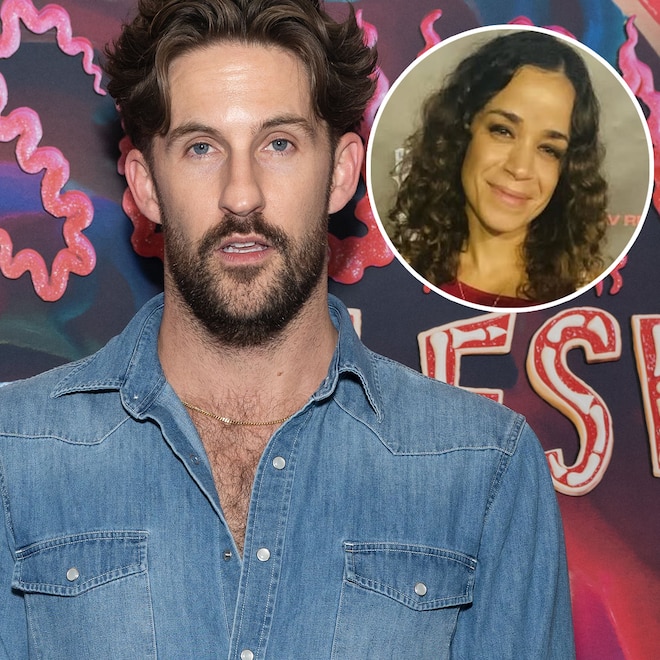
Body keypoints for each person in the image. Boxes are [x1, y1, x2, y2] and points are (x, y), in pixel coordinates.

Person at [0, 1, 574, 657]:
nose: (241, 194)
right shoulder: (15, 455)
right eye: (201, 147)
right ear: (146, 185)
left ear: (340, 172)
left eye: (279, 144)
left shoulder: (482, 466)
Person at [388, 30, 608, 307]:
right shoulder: (399, 275)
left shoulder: (589, 295)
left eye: (548, 149)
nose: (520, 168)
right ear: (464, 128)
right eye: (503, 131)